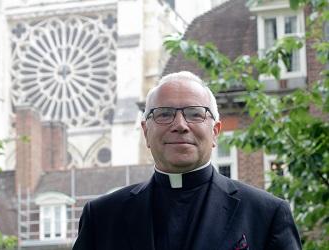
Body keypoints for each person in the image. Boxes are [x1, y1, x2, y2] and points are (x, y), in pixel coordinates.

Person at [72, 71, 302, 250]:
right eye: (164, 114)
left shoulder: (266, 214)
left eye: (194, 113)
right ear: (145, 132)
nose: (180, 125)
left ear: (215, 131)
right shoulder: (102, 217)